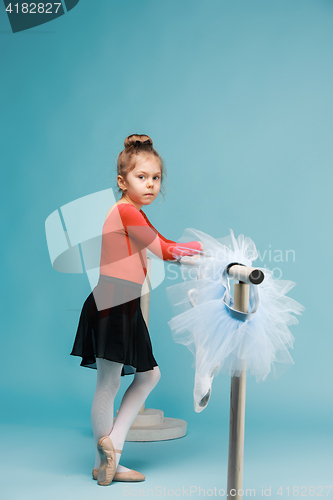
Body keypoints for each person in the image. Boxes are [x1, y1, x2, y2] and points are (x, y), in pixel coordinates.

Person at [70, 134, 203, 486]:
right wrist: (204, 253)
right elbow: (164, 250)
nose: (150, 184)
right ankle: (105, 459)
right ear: (122, 181)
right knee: (110, 381)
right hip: (112, 301)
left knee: (146, 375)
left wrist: (194, 254)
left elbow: (165, 245)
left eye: (155, 177)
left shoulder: (135, 213)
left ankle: (111, 448)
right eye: (141, 177)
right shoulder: (127, 211)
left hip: (123, 302)